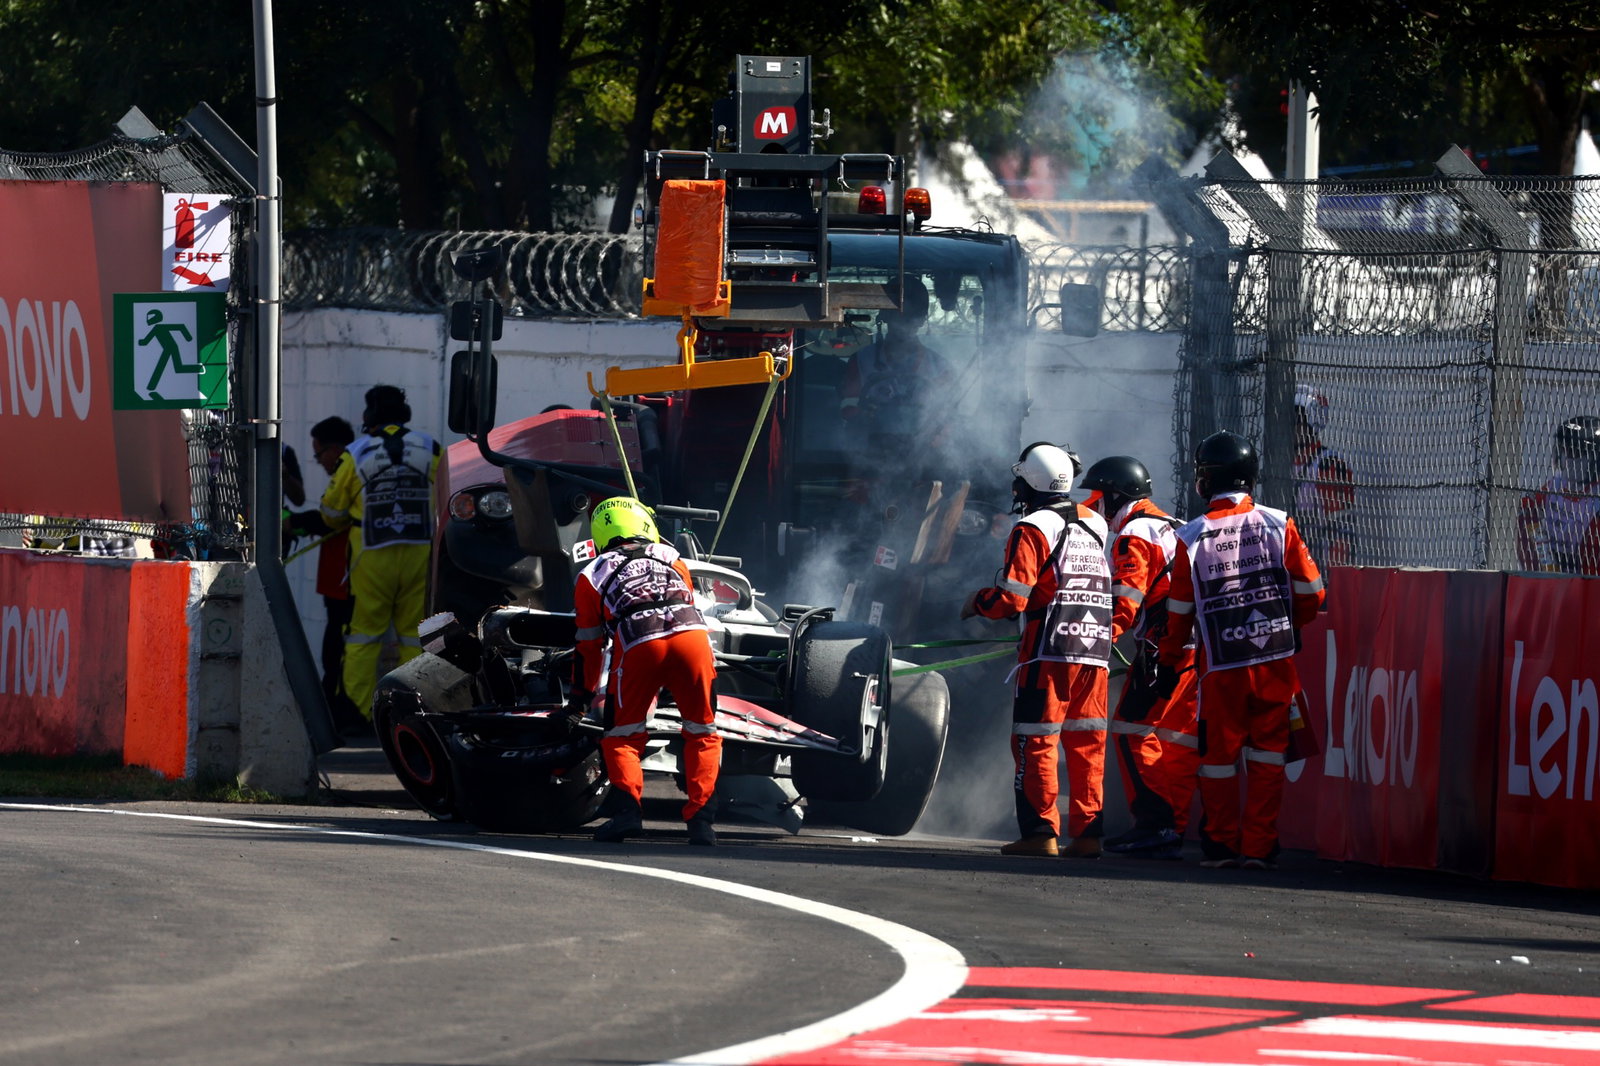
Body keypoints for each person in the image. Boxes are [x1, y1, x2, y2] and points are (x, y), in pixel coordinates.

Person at [1158, 431, 1325, 870]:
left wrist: (1169, 657)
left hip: (1221, 668)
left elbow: (1178, 612)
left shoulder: (1190, 537)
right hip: (1275, 662)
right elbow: (1313, 592)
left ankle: (1220, 846)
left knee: (1218, 759)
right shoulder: (1278, 522)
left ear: (1205, 481)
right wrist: (1291, 624)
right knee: (1270, 756)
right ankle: (1259, 847)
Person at [961, 442, 1111, 859]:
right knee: (1088, 744)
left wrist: (977, 602)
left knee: (1036, 741)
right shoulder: (1096, 523)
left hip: (1050, 653)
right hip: (1095, 651)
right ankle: (1088, 836)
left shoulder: (1032, 528)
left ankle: (1040, 834)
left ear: (1029, 484)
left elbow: (1012, 599)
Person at [571, 496, 721, 845]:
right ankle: (702, 823)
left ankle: (627, 816)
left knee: (622, 735)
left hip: (639, 644)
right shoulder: (671, 557)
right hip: (693, 640)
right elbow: (687, 598)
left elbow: (589, 646)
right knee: (703, 731)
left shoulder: (591, 574)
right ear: (644, 525)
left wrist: (579, 699)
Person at [1079, 455, 1197, 860]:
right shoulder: (1175, 525)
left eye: (1099, 498)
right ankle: (1172, 828)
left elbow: (1125, 600)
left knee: (1130, 728)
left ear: (1116, 497)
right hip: (1198, 647)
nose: (1095, 507)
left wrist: (1095, 638)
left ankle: (1154, 824)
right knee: (1176, 741)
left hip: (1162, 646)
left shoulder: (1135, 534)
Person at [319, 386, 441, 721]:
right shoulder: (431, 448)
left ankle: (361, 714)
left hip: (370, 558)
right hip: (419, 555)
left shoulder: (355, 453)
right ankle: (414, 709)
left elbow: (330, 512)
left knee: (363, 635)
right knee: (414, 634)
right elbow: (448, 494)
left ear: (369, 416)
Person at [286, 416, 364, 735]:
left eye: (319, 455)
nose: (319, 463)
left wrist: (294, 523)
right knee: (337, 638)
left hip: (350, 573)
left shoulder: (352, 466)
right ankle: (336, 704)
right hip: (343, 573)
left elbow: (330, 518)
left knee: (340, 641)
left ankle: (340, 708)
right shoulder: (358, 465)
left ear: (334, 449)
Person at [837, 276, 953, 443]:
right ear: (884, 315)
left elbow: (948, 423)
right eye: (898, 315)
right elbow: (848, 411)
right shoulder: (861, 361)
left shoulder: (941, 368)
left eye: (912, 316)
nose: (904, 323)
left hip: (925, 456)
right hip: (868, 452)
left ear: (922, 319)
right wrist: (866, 415)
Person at [1517, 414, 1600, 575]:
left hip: (1586, 577)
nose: (1564, 458)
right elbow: (1528, 510)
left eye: (1573, 452)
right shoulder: (1555, 485)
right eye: (1562, 449)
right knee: (1527, 510)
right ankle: (1545, 576)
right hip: (1551, 567)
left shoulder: (1596, 499)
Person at [1291, 386, 1355, 566]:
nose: (1290, 427)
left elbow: (1342, 530)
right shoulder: (1277, 465)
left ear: (1312, 422)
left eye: (1296, 420)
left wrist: (1334, 579)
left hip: (1318, 569)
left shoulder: (1328, 465)